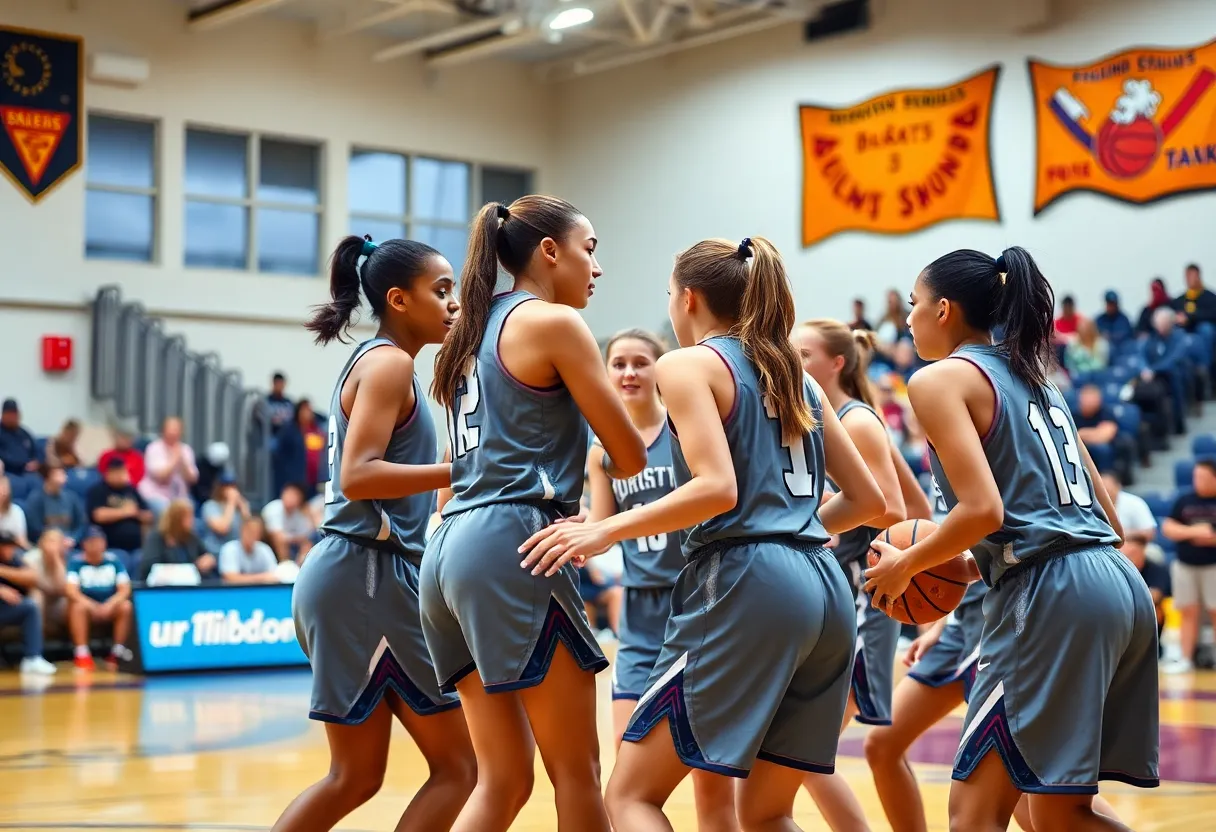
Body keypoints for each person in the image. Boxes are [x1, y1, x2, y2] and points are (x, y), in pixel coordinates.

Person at [519, 236, 886, 831]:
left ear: (688, 298)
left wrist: (604, 530)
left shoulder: (688, 363)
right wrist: (789, 531)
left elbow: (718, 489)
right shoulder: (797, 374)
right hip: (823, 588)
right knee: (766, 816)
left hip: (747, 582)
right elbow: (869, 500)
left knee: (631, 797)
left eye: (669, 294)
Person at [865, 246, 1157, 832]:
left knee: (975, 812)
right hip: (1115, 580)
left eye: (915, 304)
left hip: (1050, 598)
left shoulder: (939, 379)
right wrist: (973, 567)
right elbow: (1110, 523)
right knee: (1058, 815)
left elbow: (981, 509)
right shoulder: (1036, 378)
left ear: (944, 310)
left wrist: (909, 565)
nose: (909, 318)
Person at [421, 197, 647, 832]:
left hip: (448, 548)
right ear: (550, 252)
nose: (597, 268)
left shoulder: (467, 328)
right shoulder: (553, 324)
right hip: (516, 541)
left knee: (503, 780)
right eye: (590, 249)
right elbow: (628, 456)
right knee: (578, 775)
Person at [273, 234, 475, 832]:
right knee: (462, 766)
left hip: (355, 573)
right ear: (398, 299)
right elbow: (358, 476)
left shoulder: (378, 361)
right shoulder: (388, 363)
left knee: (356, 776)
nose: (453, 304)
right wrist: (465, 468)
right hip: (366, 575)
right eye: (441, 291)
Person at [584, 328, 738, 832]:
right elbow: (601, 529)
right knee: (625, 780)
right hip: (638, 614)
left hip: (694, 604)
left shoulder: (683, 429)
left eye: (640, 362)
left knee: (709, 790)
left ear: (658, 368)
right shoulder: (601, 452)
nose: (629, 372)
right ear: (606, 373)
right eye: (619, 363)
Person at [793, 319, 934, 832]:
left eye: (803, 354)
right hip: (845, 596)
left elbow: (892, 508)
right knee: (804, 751)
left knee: (805, 751)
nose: (794, 361)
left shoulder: (855, 423)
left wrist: (822, 505)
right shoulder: (840, 420)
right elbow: (919, 510)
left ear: (837, 363)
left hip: (864, 601)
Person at [1160, 457, 1216, 675]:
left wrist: (1207, 537)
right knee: (1188, 611)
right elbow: (1168, 528)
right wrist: (1195, 532)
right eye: (1196, 476)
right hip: (1185, 565)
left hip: (1213, 566)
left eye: (1203, 477)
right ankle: (1185, 658)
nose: (1198, 480)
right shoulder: (1184, 500)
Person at [65, 526, 133, 670]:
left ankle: (117, 652)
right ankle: (82, 654)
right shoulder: (76, 563)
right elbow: (71, 591)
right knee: (77, 607)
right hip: (88, 606)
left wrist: (110, 604)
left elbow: (125, 588)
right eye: (92, 541)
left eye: (99, 541)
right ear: (84, 544)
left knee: (126, 606)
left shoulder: (114, 561)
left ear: (105, 543)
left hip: (109, 605)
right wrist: (90, 605)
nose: (96, 545)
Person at [0, 530, 57, 675]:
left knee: (29, 607)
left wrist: (2, 570)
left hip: (5, 610)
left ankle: (32, 658)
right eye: (4, 545)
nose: (9, 549)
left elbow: (32, 577)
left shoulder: (14, 559)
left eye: (11, 545)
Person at [139, 499, 216, 582]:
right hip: (163, 586)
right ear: (176, 519)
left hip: (190, 585)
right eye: (188, 517)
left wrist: (209, 559)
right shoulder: (157, 537)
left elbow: (206, 556)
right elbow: (147, 566)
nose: (192, 521)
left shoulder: (191, 537)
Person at [139, 416, 199, 514]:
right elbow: (161, 477)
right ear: (163, 431)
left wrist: (183, 462)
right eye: (170, 429)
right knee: (167, 512)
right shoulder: (153, 448)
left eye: (176, 429)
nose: (173, 433)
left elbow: (193, 479)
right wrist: (174, 460)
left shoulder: (186, 450)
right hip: (155, 495)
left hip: (180, 496)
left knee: (190, 513)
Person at [25, 462, 88, 546]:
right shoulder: (35, 499)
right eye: (57, 474)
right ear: (47, 477)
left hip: (69, 543)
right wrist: (55, 541)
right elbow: (35, 528)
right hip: (46, 544)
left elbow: (80, 523)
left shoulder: (71, 497)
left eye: (63, 473)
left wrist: (73, 538)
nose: (63, 477)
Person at [217, 516, 278, 584]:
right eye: (250, 531)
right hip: (234, 592)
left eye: (256, 532)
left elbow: (274, 575)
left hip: (260, 592)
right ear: (242, 530)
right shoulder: (229, 549)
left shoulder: (264, 549)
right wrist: (262, 578)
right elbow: (230, 578)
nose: (253, 535)